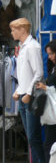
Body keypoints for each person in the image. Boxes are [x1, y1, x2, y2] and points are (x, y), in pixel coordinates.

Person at [10, 18, 45, 163]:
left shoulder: (32, 47)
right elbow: (24, 74)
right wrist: (19, 90)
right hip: (23, 95)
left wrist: (29, 93)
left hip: (30, 97)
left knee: (33, 136)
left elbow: (38, 73)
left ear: (22, 29)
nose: (11, 33)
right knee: (30, 137)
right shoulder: (22, 47)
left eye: (13, 29)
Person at [35, 40, 56, 163]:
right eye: (48, 54)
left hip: (53, 112)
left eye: (52, 53)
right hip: (51, 112)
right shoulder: (52, 67)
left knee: (49, 144)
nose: (49, 57)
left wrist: (46, 88)